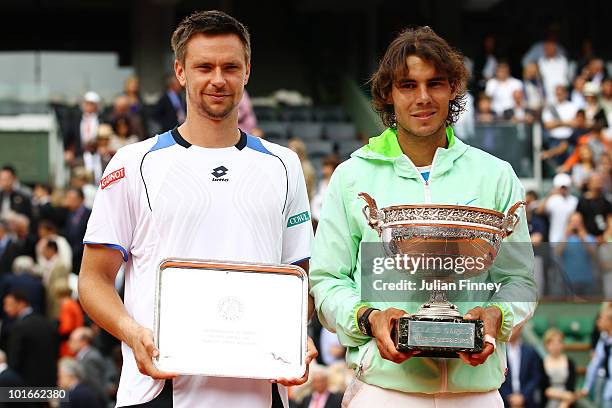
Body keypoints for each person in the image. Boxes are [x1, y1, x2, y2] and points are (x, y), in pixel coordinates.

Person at [78, 10, 316, 408]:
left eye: (230, 67)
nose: (218, 79)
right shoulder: (133, 163)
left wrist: (295, 332)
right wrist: (131, 331)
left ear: (247, 72)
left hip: (260, 389)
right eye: (204, 66)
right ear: (181, 71)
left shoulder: (283, 164)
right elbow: (93, 280)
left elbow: (300, 281)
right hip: (159, 389)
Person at [309, 26, 536, 407]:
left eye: (435, 83)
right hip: (385, 391)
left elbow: (519, 280)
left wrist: (496, 316)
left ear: (453, 89)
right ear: (387, 94)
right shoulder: (352, 176)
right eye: (408, 85)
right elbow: (328, 280)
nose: (423, 97)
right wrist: (370, 319)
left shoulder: (496, 175)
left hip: (476, 392)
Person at [3, 290, 58, 387]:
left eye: (8, 304)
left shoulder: (19, 327)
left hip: (25, 386)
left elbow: (14, 362)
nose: (5, 309)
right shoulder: (47, 323)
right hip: (49, 383)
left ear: (21, 304)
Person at [499, 326, 545, 408]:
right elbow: (497, 376)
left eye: (514, 328)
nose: (511, 331)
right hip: (504, 401)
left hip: (527, 401)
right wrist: (509, 396)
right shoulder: (500, 352)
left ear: (520, 329)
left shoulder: (530, 351)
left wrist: (523, 396)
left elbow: (535, 376)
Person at [542, 328, 577, 408]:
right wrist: (562, 395)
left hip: (566, 403)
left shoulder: (570, 362)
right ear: (546, 345)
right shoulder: (541, 363)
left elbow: (571, 389)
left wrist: (564, 404)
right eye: (552, 343)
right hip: (548, 402)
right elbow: (543, 389)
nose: (556, 346)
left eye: (559, 342)